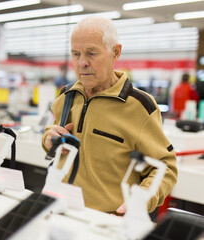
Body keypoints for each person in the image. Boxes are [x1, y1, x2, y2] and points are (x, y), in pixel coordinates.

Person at [41, 16, 177, 215]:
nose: (82, 63)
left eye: (91, 53)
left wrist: (141, 200)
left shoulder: (139, 107)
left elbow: (165, 168)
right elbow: (51, 137)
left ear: (116, 52)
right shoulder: (67, 96)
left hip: (107, 225)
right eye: (76, 54)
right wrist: (48, 139)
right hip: (60, 214)